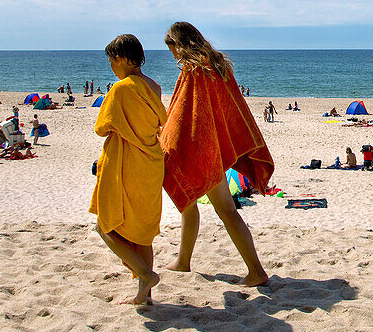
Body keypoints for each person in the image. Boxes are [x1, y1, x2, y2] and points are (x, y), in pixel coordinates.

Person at [160, 22, 274, 287]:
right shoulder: (218, 66)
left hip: (200, 150)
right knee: (218, 210)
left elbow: (184, 113)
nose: (174, 56)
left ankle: (256, 271)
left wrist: (169, 141)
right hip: (213, 149)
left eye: (173, 49)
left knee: (212, 207)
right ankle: (183, 261)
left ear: (181, 44)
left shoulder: (194, 70)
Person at [89, 34, 166, 305]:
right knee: (144, 233)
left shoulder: (121, 89)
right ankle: (145, 297)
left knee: (105, 225)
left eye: (112, 61)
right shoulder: (154, 86)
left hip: (124, 162)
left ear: (121, 58)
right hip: (151, 163)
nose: (111, 66)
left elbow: (101, 128)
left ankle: (145, 275)